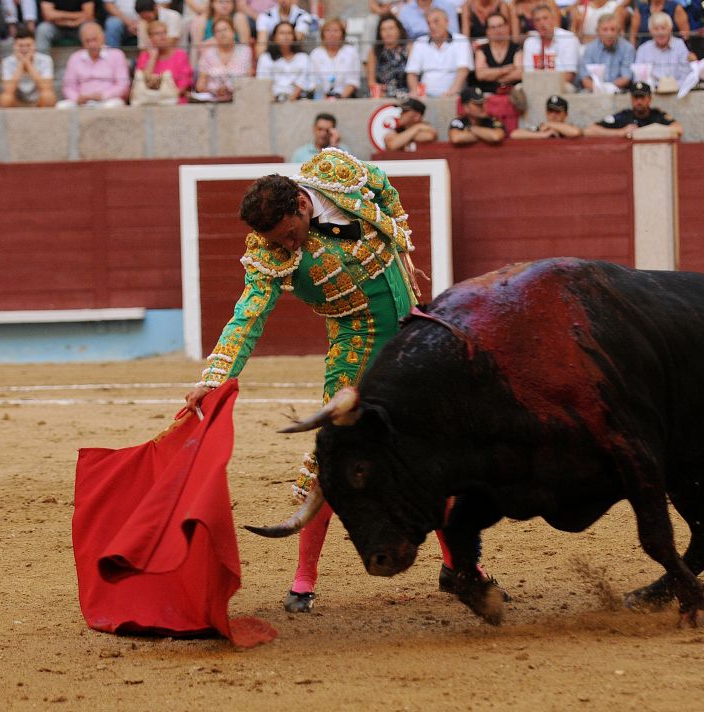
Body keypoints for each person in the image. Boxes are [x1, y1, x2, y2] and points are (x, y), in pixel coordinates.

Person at [183, 153, 504, 614]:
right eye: (278, 242)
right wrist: (214, 379)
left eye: (291, 234)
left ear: (301, 202)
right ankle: (303, 579)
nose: (289, 247)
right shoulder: (268, 252)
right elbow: (247, 315)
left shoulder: (338, 173)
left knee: (438, 454)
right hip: (355, 348)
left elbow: (383, 188)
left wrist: (401, 246)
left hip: (412, 330)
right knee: (335, 458)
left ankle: (461, 569)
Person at [55, 21, 129, 107]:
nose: (91, 44)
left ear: (103, 38)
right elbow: (68, 86)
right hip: (81, 101)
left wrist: (102, 95)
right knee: (61, 106)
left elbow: (123, 85)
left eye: (94, 39)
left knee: (110, 106)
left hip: (108, 100)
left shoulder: (116, 55)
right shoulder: (75, 57)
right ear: (82, 42)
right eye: (87, 41)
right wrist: (77, 98)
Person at [405, 7, 472, 98]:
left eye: (436, 21)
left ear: (447, 22)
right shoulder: (420, 42)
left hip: (454, 95)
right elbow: (411, 73)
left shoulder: (461, 40)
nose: (432, 26)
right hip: (424, 96)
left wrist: (451, 92)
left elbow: (463, 71)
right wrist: (415, 91)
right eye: (429, 23)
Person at [584, 80, 683, 137]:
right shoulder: (623, 116)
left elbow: (678, 129)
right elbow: (590, 130)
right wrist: (621, 132)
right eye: (636, 98)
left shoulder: (656, 115)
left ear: (649, 99)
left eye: (642, 97)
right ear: (631, 99)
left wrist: (645, 132)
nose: (639, 102)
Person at [130, 18, 191, 104]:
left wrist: (171, 96)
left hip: (174, 99)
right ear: (150, 38)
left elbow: (185, 81)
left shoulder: (180, 54)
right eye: (157, 34)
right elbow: (143, 81)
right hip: (148, 100)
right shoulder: (145, 56)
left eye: (164, 33)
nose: (162, 37)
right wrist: (153, 58)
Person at [195, 15, 252, 101]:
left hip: (240, 100)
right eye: (218, 31)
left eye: (225, 29)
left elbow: (250, 80)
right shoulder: (207, 54)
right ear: (214, 36)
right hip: (214, 102)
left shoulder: (245, 51)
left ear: (233, 32)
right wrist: (214, 91)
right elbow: (200, 86)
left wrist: (232, 90)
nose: (222, 34)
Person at [521, 3, 579, 87]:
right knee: (518, 90)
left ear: (553, 19)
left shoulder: (568, 38)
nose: (542, 23)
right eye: (537, 20)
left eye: (545, 18)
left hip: (563, 84)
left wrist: (547, 85)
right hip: (536, 85)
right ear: (533, 24)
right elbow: (528, 73)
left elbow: (569, 75)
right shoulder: (529, 42)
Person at [0, 23, 55, 107]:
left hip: (38, 101)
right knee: (5, 98)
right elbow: (8, 90)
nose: (24, 49)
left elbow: (46, 88)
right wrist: (21, 64)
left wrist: (28, 64)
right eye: (20, 46)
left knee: (48, 96)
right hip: (17, 102)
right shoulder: (7, 62)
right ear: (14, 46)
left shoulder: (45, 59)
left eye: (28, 45)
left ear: (34, 45)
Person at [577, 13, 632, 94]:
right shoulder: (589, 49)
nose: (609, 34)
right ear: (597, 31)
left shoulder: (627, 48)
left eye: (612, 29)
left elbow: (626, 77)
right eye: (605, 30)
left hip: (619, 91)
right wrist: (601, 89)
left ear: (618, 31)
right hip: (593, 90)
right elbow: (585, 78)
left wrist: (609, 88)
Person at [255, 20, 309, 102]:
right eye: (282, 33)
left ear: (294, 37)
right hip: (270, 100)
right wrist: (274, 102)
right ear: (274, 37)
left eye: (289, 33)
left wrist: (291, 100)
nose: (286, 36)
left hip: (297, 100)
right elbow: (263, 82)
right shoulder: (265, 57)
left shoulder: (303, 57)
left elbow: (303, 81)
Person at [634, 11, 691, 87]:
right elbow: (637, 78)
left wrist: (669, 87)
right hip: (651, 92)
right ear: (650, 31)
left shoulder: (680, 45)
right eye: (656, 29)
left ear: (670, 29)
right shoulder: (643, 49)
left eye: (663, 28)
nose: (660, 32)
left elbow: (686, 75)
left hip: (676, 91)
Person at [307, 16, 359, 99]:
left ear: (342, 34)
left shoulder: (350, 52)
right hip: (320, 99)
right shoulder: (315, 53)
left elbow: (353, 82)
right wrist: (323, 98)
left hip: (345, 98)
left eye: (336, 31)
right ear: (322, 34)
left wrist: (339, 98)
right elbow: (312, 82)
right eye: (328, 30)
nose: (332, 34)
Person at [471, 11, 520, 94]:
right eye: (493, 27)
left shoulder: (517, 48)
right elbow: (480, 75)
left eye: (500, 26)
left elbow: (519, 73)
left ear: (507, 27)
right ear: (487, 31)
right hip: (487, 93)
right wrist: (504, 70)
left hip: (513, 93)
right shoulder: (482, 50)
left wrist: (492, 74)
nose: (497, 30)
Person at [365, 13, 409, 98]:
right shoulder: (374, 52)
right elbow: (371, 82)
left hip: (406, 94)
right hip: (381, 94)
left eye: (391, 28)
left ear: (399, 30)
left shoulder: (408, 49)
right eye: (383, 29)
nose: (387, 32)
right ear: (379, 33)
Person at [509, 93, 580, 138]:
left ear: (565, 114)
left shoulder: (569, 127)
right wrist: (543, 135)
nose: (553, 114)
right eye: (550, 111)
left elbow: (575, 132)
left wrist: (550, 124)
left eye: (557, 111)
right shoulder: (542, 128)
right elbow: (515, 134)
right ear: (546, 112)